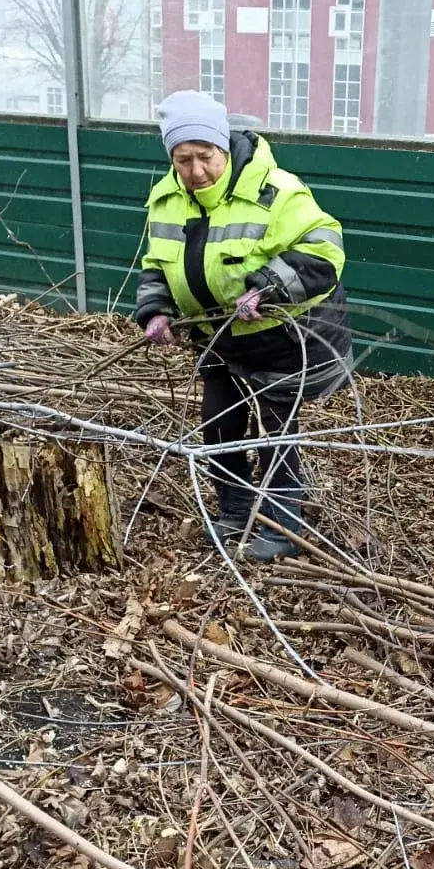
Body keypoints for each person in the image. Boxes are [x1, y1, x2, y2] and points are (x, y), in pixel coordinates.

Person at [134, 90, 353, 561]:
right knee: (219, 424)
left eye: (205, 157)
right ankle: (234, 508)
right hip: (216, 335)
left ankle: (281, 525)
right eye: (182, 159)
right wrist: (156, 310)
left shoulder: (275, 190)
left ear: (224, 146)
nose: (195, 172)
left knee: (275, 431)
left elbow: (325, 249)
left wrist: (269, 285)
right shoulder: (166, 198)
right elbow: (156, 265)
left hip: (281, 336)